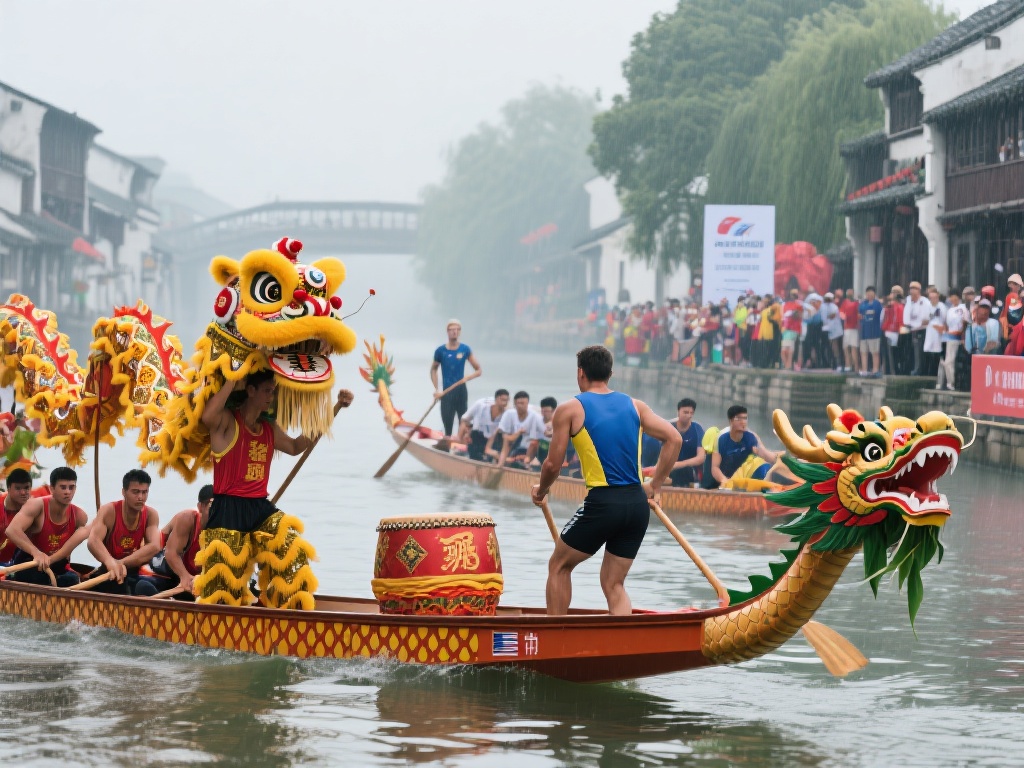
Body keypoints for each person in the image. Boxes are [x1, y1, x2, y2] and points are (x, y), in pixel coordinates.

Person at [531, 345, 681, 616]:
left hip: (603, 503)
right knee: (613, 583)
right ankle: (623, 644)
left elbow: (553, 464)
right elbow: (674, 439)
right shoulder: (636, 406)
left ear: (580, 373)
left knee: (559, 566)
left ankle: (554, 640)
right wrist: (654, 485)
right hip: (637, 504)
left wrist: (541, 490)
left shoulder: (569, 409)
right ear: (610, 374)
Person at [196, 369, 353, 607]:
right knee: (224, 585)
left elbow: (295, 445)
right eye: (267, 390)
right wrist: (232, 377)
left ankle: (283, 609)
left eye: (274, 390)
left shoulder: (269, 428)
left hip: (260, 508)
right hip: (229, 508)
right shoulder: (228, 421)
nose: (272, 396)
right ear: (250, 391)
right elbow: (207, 416)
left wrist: (335, 409)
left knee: (292, 548)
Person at [4, 466, 89, 587]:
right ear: (52, 488)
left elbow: (67, 552)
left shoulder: (80, 516)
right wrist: (37, 553)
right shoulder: (36, 506)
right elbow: (12, 530)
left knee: (72, 579)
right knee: (40, 578)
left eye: (71, 487)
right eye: (63, 487)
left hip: (54, 565)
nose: (67, 492)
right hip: (28, 563)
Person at [87, 469, 162, 595]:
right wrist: (110, 562)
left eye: (144, 492)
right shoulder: (109, 511)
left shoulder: (151, 515)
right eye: (135, 492)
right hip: (108, 572)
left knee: (149, 587)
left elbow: (154, 546)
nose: (140, 497)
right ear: (124, 492)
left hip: (132, 571)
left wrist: (120, 563)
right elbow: (93, 541)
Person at [138, 484, 214, 598]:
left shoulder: (226, 530)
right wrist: (185, 577)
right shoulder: (187, 518)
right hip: (160, 569)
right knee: (142, 587)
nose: (217, 514)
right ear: (200, 507)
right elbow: (171, 553)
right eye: (212, 508)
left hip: (187, 579)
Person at [707, 406, 781, 489]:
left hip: (744, 477)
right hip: (725, 479)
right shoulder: (721, 438)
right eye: (738, 419)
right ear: (731, 421)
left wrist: (785, 461)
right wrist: (725, 481)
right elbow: (715, 467)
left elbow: (767, 455)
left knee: (764, 467)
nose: (743, 422)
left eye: (745, 418)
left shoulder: (751, 437)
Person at [430, 319, 482, 436]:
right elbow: (433, 369)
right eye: (452, 330)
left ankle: (460, 448)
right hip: (446, 392)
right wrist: (436, 390)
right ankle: (446, 446)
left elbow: (478, 370)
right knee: (447, 424)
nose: (455, 332)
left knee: (463, 422)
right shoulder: (440, 351)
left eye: (457, 330)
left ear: (460, 332)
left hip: (461, 391)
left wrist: (466, 378)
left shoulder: (465, 349)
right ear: (447, 332)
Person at [644, 398, 706, 488]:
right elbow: (660, 450)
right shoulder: (668, 427)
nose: (688, 416)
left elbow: (700, 458)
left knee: (684, 471)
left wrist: (677, 465)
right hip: (667, 469)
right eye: (685, 412)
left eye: (691, 413)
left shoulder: (697, 429)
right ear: (678, 411)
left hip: (689, 471)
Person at [491, 391, 546, 466]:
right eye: (519, 403)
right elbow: (505, 438)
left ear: (527, 403)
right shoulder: (509, 414)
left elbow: (544, 435)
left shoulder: (535, 417)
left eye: (523, 403)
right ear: (515, 404)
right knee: (501, 435)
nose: (521, 406)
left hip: (527, 449)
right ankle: (499, 460)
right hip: (512, 445)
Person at [459, 389, 509, 461]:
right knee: (476, 455)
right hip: (478, 435)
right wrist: (466, 433)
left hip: (493, 439)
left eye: (506, 401)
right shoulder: (480, 405)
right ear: (496, 399)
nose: (504, 403)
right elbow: (464, 419)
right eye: (502, 400)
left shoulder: (508, 413)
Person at [0, 468, 34, 565]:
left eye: (26, 488)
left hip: (19, 566)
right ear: (9, 489)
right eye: (18, 488)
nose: (23, 493)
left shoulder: (35, 509)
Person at [938, 289, 969, 391]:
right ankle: (944, 383)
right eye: (951, 297)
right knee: (944, 362)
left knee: (949, 361)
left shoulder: (963, 308)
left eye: (954, 296)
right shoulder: (949, 309)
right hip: (947, 337)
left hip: (957, 338)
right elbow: (946, 325)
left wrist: (962, 336)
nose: (953, 299)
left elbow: (965, 323)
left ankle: (951, 383)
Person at [904, 281, 931, 376]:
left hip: (922, 330)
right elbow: (906, 317)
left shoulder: (925, 302)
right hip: (911, 329)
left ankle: (919, 370)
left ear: (919, 290)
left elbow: (926, 319)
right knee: (912, 351)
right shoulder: (909, 301)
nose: (911, 291)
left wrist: (916, 324)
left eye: (914, 289)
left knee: (919, 352)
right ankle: (912, 368)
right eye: (910, 289)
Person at [858, 286, 883, 376]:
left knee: (875, 352)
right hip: (864, 332)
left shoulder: (877, 304)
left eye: (871, 293)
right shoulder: (863, 304)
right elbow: (859, 315)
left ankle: (875, 370)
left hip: (874, 332)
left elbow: (880, 317)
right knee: (863, 352)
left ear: (874, 294)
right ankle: (864, 370)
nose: (869, 295)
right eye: (867, 293)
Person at [923, 286, 946, 379]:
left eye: (935, 298)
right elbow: (924, 320)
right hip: (929, 335)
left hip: (938, 335)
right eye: (931, 298)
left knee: (936, 357)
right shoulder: (927, 306)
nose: (933, 300)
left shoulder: (942, 307)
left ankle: (935, 376)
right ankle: (928, 376)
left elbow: (944, 320)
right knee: (927, 355)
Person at [780, 289, 803, 370]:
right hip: (786, 329)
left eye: (795, 294)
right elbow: (782, 317)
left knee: (791, 349)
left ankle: (790, 365)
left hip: (794, 329)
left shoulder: (799, 305)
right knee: (785, 350)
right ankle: (788, 365)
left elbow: (800, 316)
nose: (793, 296)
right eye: (792, 294)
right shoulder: (784, 305)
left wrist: (794, 314)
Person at [839, 289, 861, 373]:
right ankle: (848, 365)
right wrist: (843, 316)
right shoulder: (845, 302)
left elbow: (858, 314)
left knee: (854, 348)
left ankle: (856, 367)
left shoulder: (856, 303)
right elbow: (841, 312)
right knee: (846, 347)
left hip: (854, 328)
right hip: (846, 328)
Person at [821, 293, 843, 371]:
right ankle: (831, 364)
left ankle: (838, 364)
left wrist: (827, 317)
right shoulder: (823, 306)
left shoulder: (834, 307)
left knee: (835, 347)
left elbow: (833, 315)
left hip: (835, 330)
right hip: (826, 329)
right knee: (829, 347)